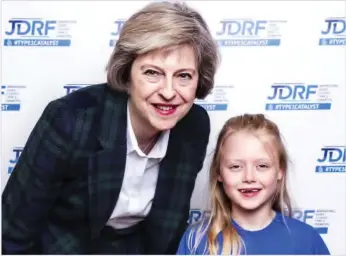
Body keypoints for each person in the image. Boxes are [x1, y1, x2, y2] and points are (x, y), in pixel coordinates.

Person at [2, 1, 220, 254]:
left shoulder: (193, 125)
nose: (169, 92)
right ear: (127, 73)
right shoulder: (71, 120)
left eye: (183, 76)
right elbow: (13, 233)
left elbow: (167, 228)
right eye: (152, 73)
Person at [176, 114, 330, 255]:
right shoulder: (195, 240)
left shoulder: (306, 239)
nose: (249, 177)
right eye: (235, 167)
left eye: (262, 166)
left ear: (280, 171)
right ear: (219, 173)